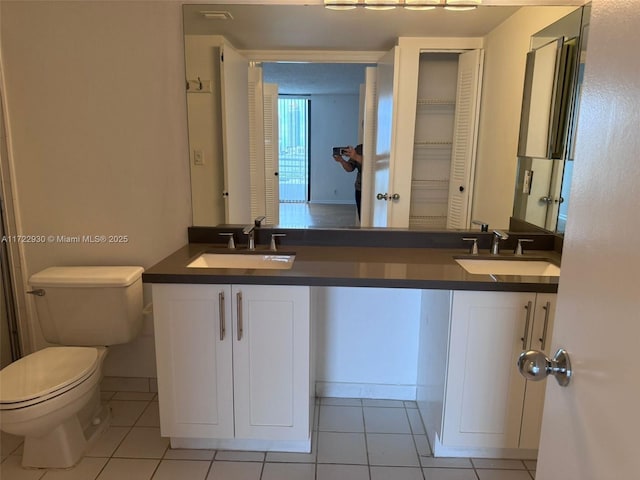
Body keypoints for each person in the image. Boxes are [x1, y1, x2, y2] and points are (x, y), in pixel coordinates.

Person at [333, 144, 363, 219]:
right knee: (362, 217)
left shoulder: (380, 147)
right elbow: (349, 168)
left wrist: (356, 156)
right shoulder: (359, 148)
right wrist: (341, 160)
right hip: (360, 188)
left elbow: (373, 164)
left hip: (377, 188)